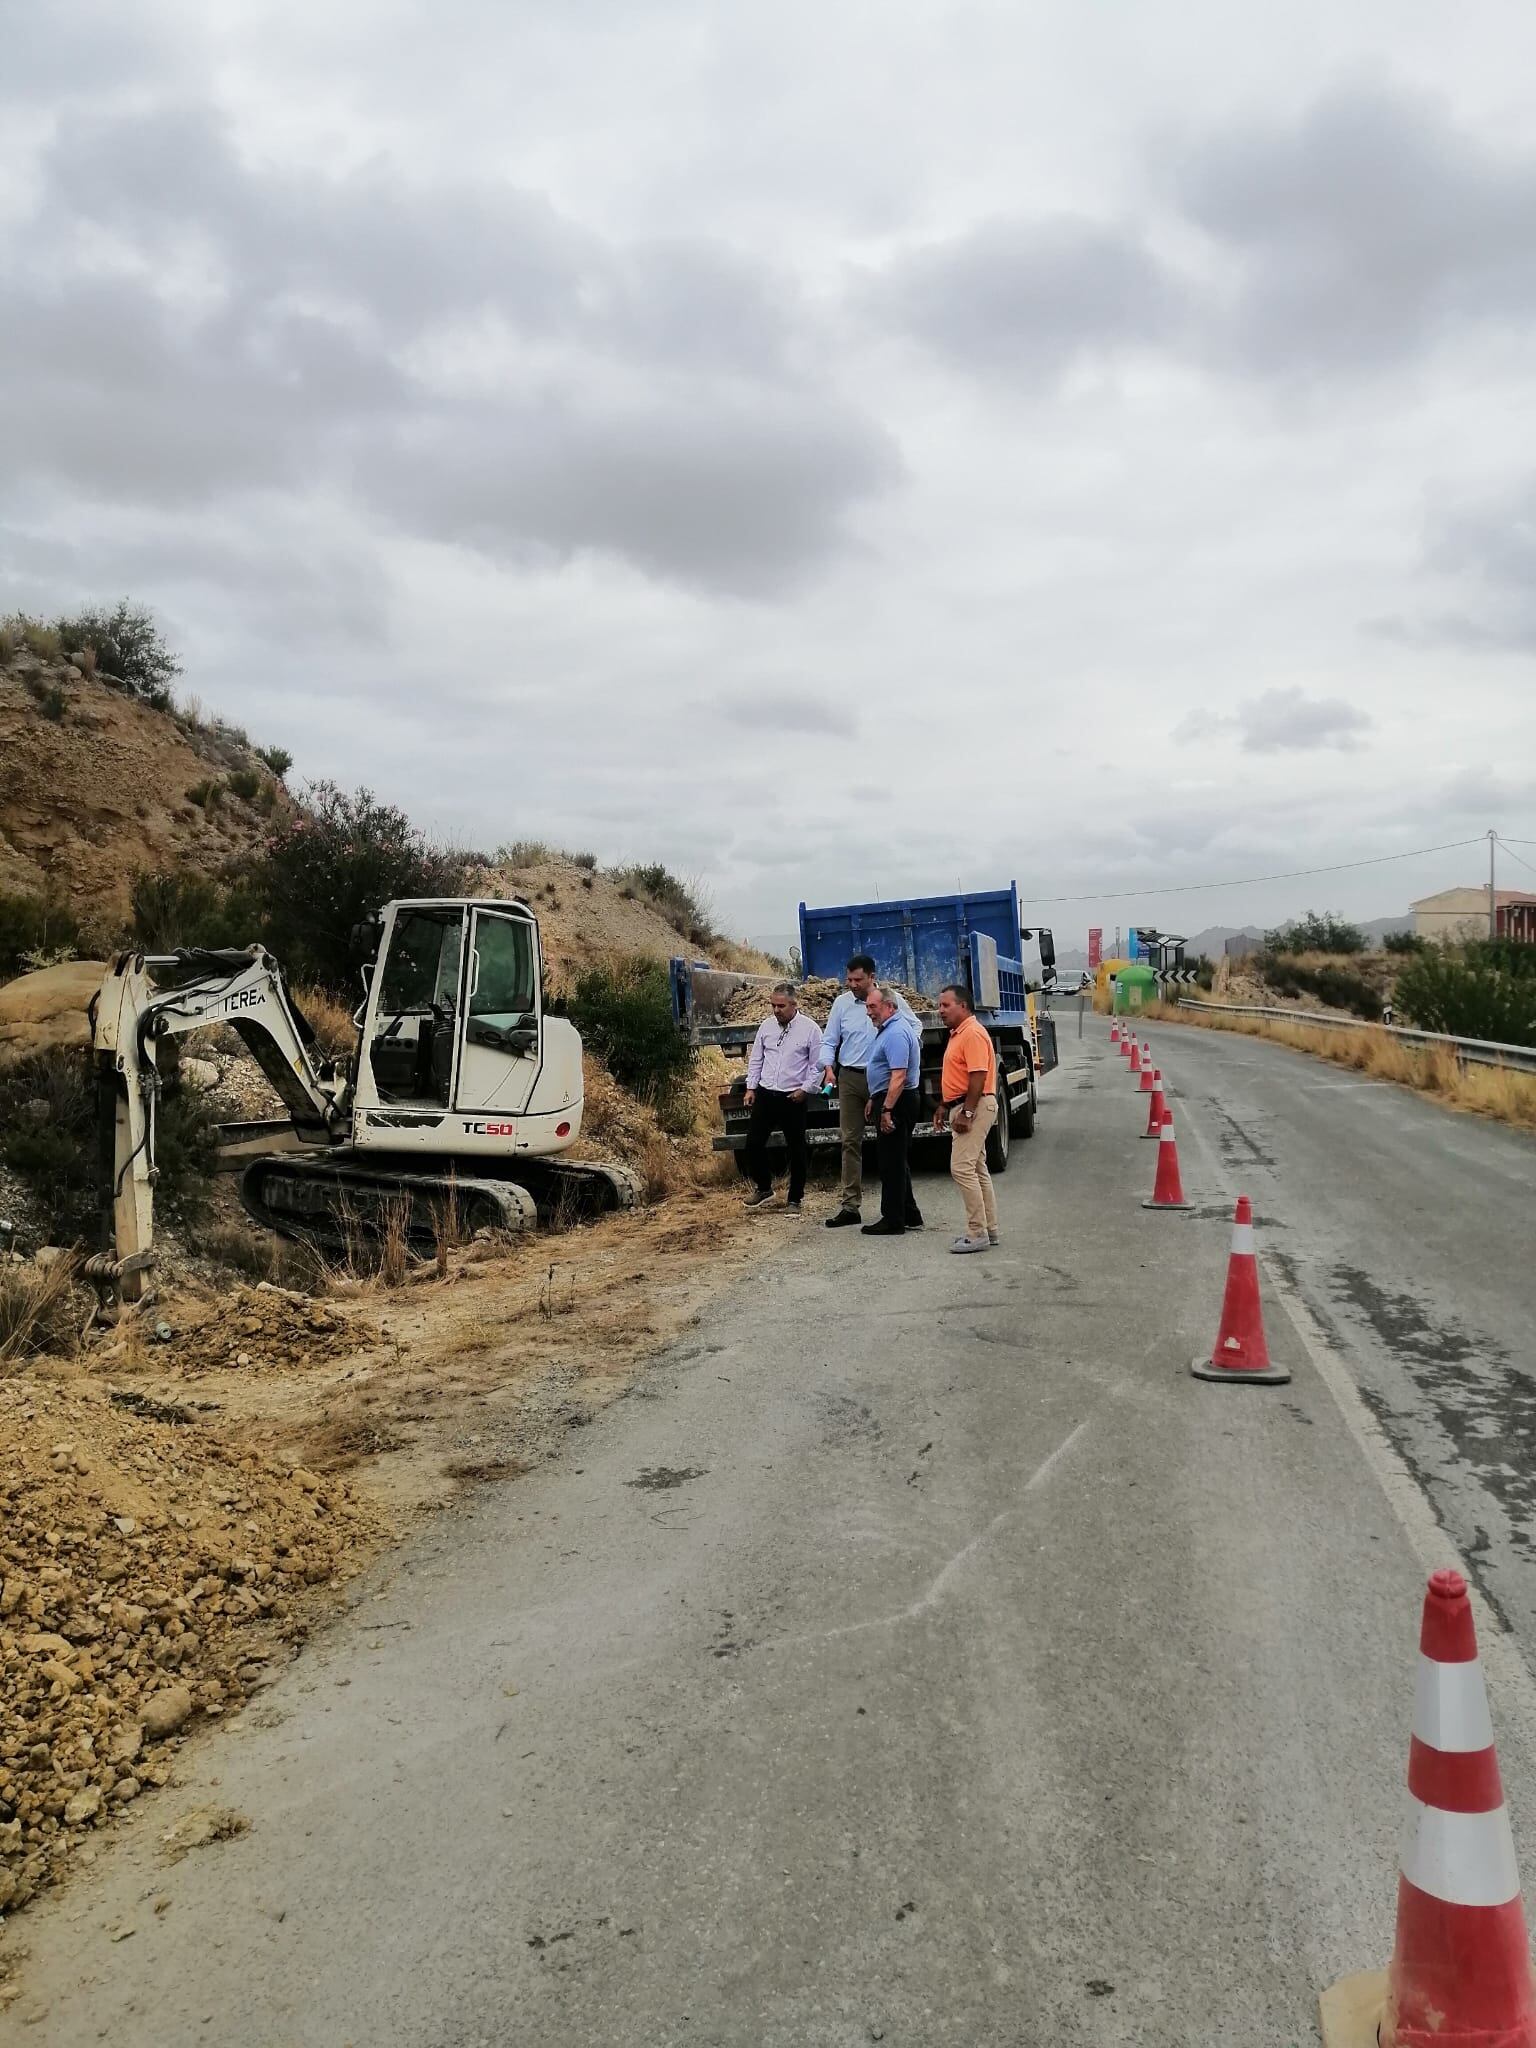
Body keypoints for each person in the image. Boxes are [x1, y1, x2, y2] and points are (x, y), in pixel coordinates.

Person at [818, 955, 917, 1228]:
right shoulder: (841, 1004)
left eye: (858, 980)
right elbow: (829, 1040)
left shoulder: (890, 1000)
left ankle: (903, 1209)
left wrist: (904, 1052)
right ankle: (850, 1206)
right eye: (848, 979)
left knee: (891, 1147)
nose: (852, 985)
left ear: (872, 976)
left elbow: (914, 1026)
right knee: (850, 1141)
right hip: (850, 1077)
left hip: (884, 1082)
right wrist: (828, 1067)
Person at [742, 983, 822, 1210]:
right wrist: (751, 1088)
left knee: (796, 1148)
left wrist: (806, 1089)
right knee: (753, 1143)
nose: (776, 1010)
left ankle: (795, 1198)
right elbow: (756, 1059)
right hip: (767, 1094)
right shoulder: (766, 1027)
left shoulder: (810, 1029)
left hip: (793, 1096)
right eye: (773, 1005)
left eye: (781, 1006)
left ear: (794, 1004)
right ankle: (764, 1187)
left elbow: (817, 1065)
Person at [934, 984, 999, 1253]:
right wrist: (944, 1105)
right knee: (976, 1168)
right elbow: (959, 1076)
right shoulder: (958, 1034)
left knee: (961, 1168)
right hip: (964, 1104)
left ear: (963, 1006)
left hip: (976, 1105)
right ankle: (989, 1229)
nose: (940, 1011)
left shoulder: (971, 1033)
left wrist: (968, 1113)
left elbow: (978, 1076)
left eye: (946, 1005)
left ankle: (977, 1232)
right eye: (940, 1006)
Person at [861, 984, 925, 1237]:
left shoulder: (897, 1032)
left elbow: (898, 1076)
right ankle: (909, 1213)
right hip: (889, 1099)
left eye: (873, 1007)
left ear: (890, 1007)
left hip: (898, 1102)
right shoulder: (889, 1029)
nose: (869, 1013)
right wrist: (873, 1098)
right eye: (867, 1007)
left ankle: (893, 1219)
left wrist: (886, 1109)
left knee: (890, 1163)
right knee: (896, 1160)